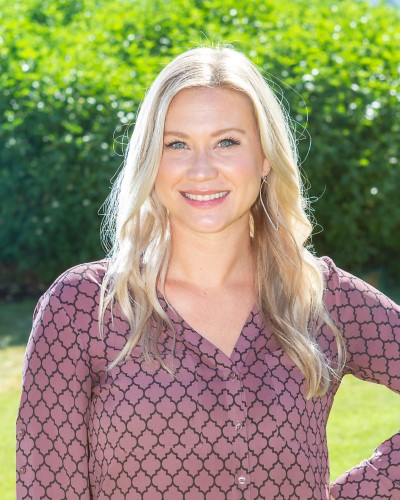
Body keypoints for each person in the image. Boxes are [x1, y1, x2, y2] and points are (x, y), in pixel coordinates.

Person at [16, 46, 399, 499]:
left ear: (265, 157)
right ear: (151, 160)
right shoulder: (83, 308)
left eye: (227, 142)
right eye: (176, 144)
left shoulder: (318, 296)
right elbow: (46, 487)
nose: (202, 170)